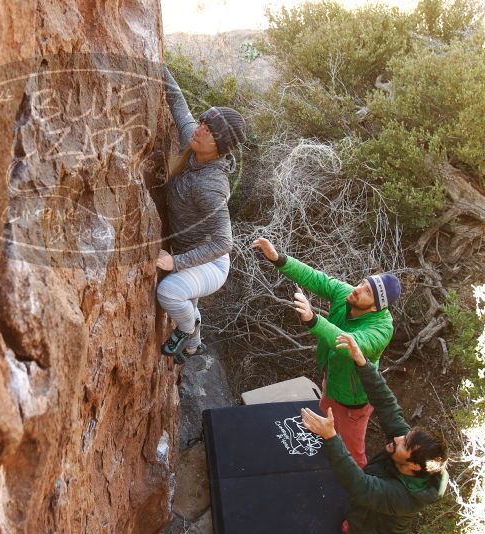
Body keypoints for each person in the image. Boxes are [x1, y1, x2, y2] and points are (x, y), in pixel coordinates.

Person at [252, 237, 399, 467]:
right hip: (331, 381)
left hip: (353, 402)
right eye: (362, 282)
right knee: (326, 421)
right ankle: (328, 454)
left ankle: (356, 487)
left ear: (374, 307)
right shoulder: (348, 294)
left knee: (353, 451)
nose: (357, 289)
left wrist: (312, 319)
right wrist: (277, 258)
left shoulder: (381, 328)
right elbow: (315, 278)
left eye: (366, 292)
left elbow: (349, 344)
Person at [301, 333, 448, 534]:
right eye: (405, 436)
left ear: (413, 465)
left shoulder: (403, 498)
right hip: (363, 514)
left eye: (404, 443)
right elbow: (386, 403)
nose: (398, 437)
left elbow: (360, 485)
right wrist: (362, 362)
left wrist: (330, 437)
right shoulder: (410, 450)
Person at [156, 66, 247, 364]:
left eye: (209, 130)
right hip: (191, 253)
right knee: (189, 304)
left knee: (170, 292)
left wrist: (177, 262)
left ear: (220, 147)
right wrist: (157, 66)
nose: (200, 129)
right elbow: (178, 102)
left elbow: (223, 242)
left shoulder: (210, 184)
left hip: (211, 263)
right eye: (204, 122)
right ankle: (194, 346)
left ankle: (187, 328)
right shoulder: (191, 144)